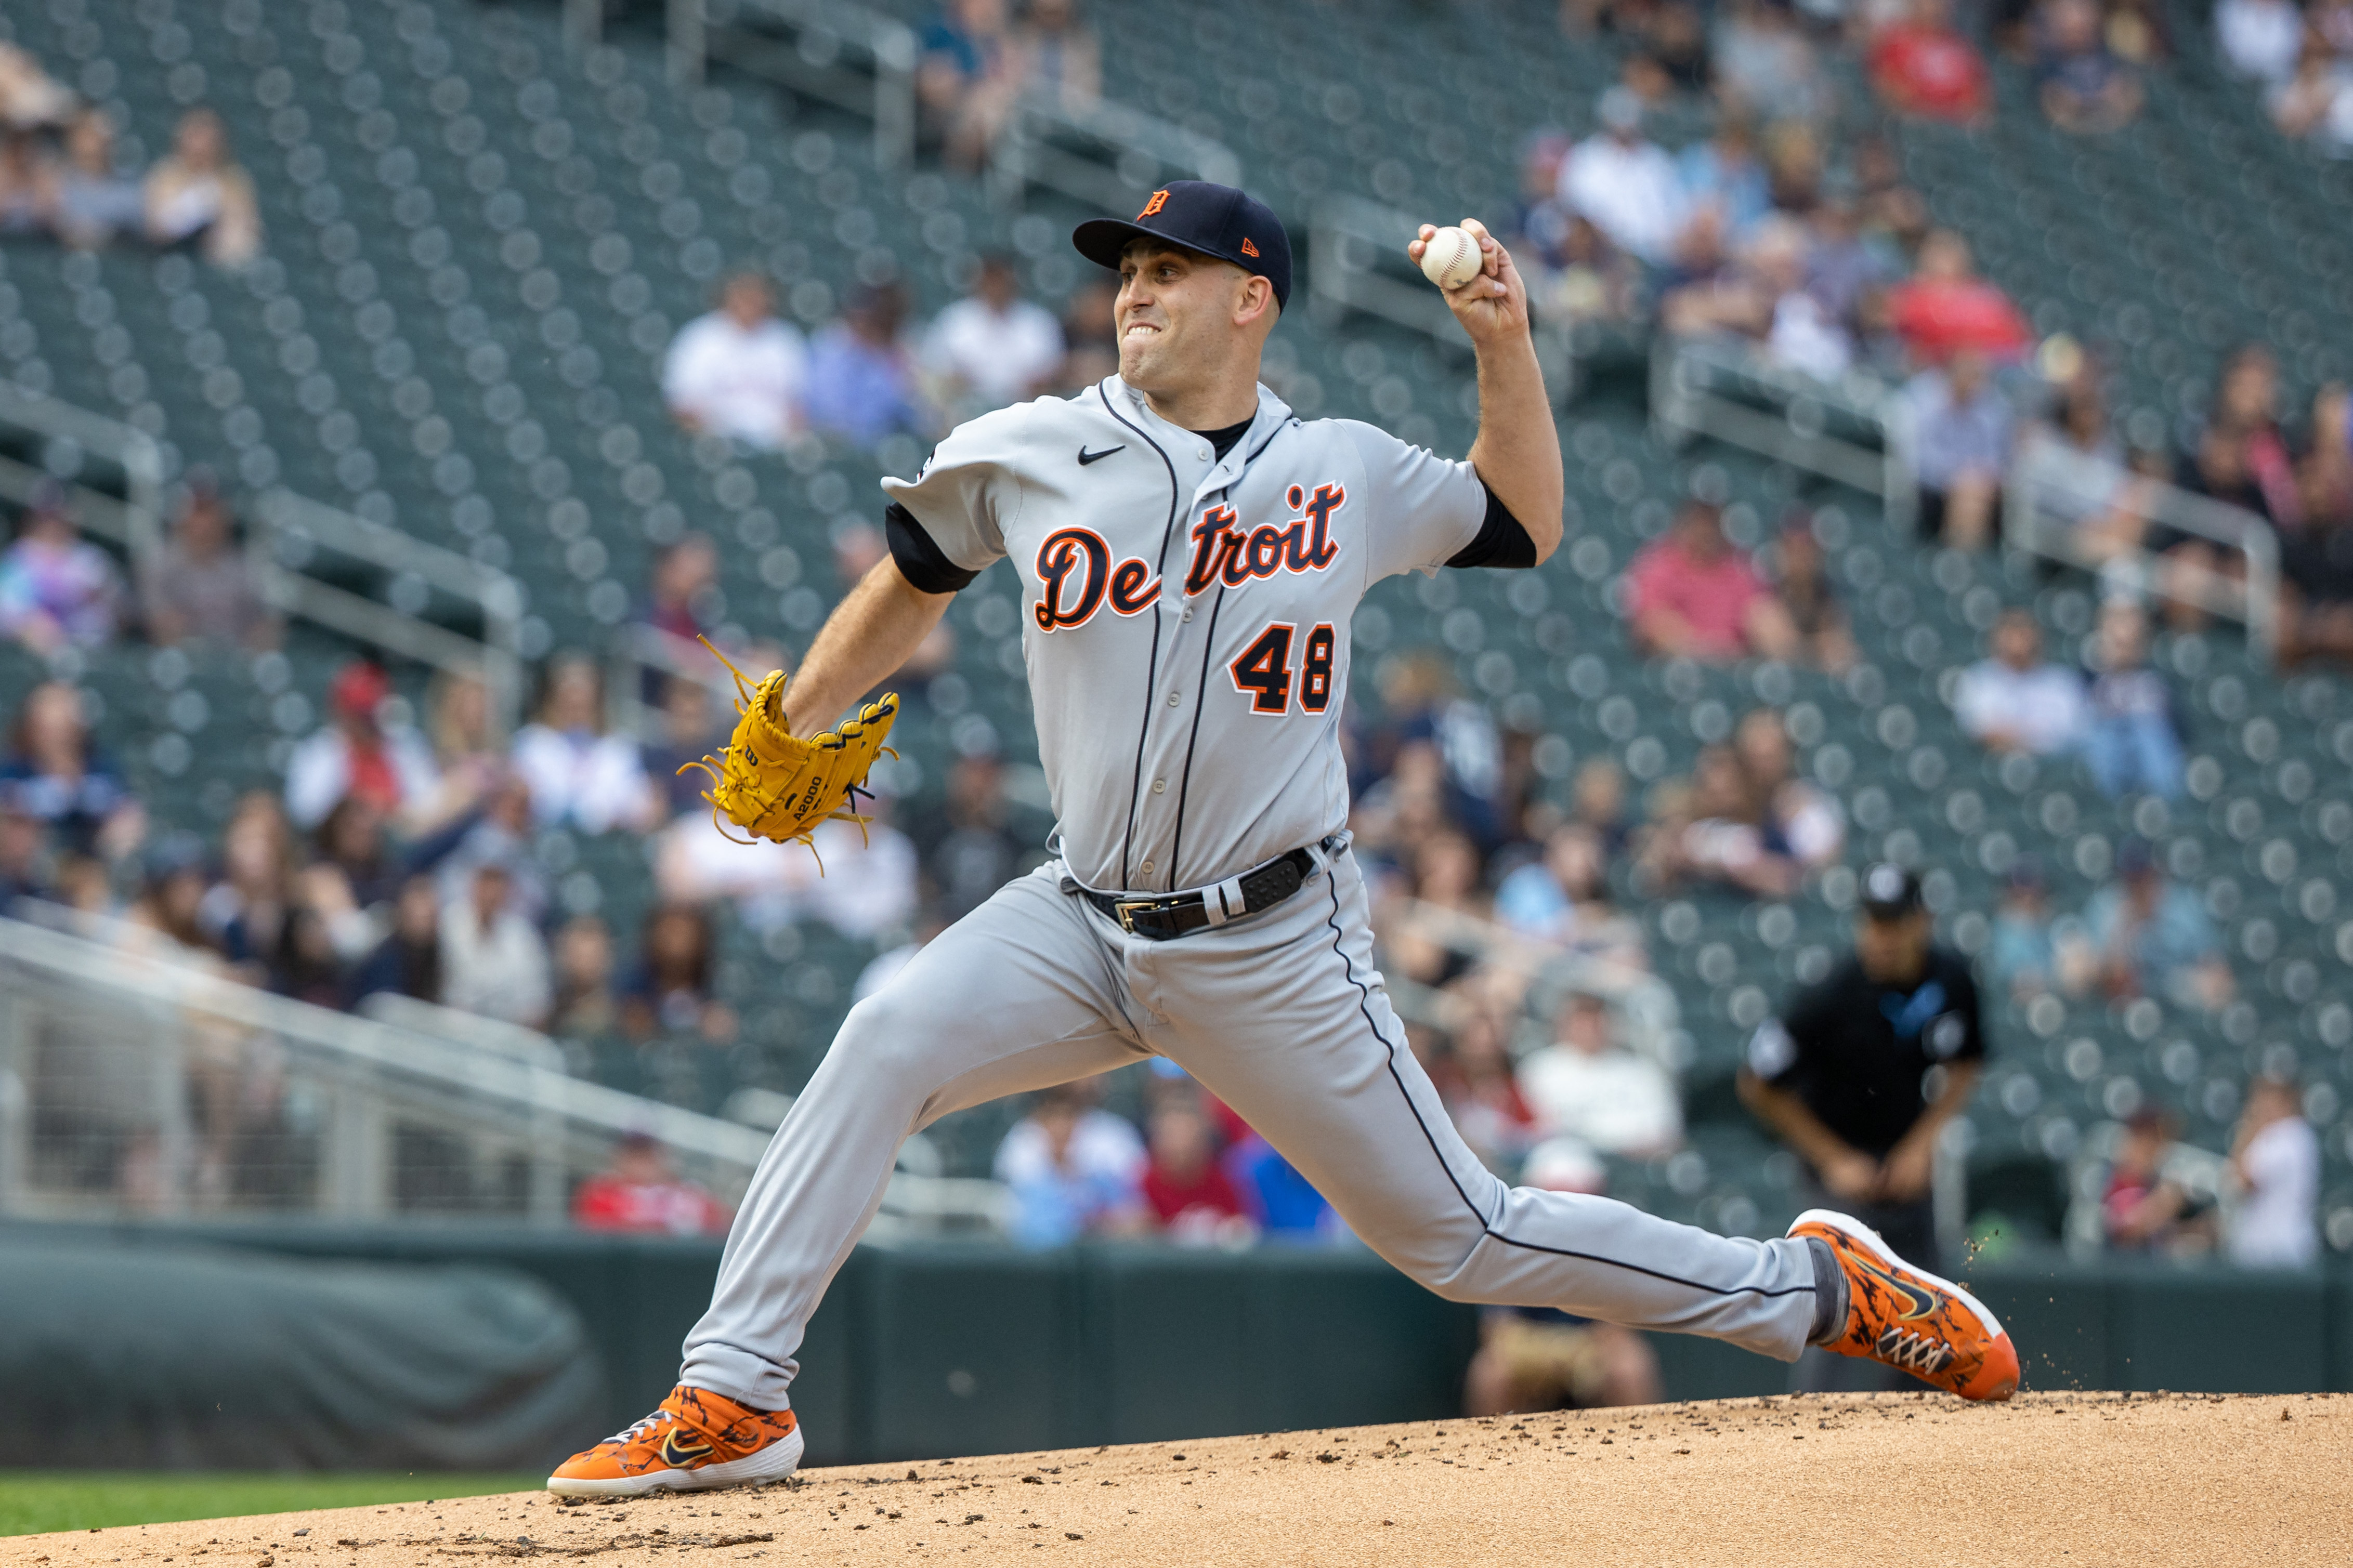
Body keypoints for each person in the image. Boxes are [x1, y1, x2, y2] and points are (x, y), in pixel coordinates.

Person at [550, 180, 2011, 1498]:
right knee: (879, 1044)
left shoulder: (1343, 471)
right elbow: (911, 576)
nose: (1132, 287)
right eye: (1123, 266)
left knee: (1464, 1240)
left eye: (1168, 268)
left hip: (1272, 939)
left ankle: (1814, 1291)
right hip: (1078, 918)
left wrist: (1503, 343)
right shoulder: (1030, 446)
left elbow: (1523, 517)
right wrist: (794, 715)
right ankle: (734, 1394)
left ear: (1250, 298)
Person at [1738, 864, 1985, 1392]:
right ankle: (1818, 1438)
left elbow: (1967, 1062)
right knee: (1841, 1305)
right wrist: (1831, 1159)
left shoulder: (1949, 977)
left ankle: (1926, 1448)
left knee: (1929, 1313)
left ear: (1921, 922)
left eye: (1893, 922)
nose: (1881, 936)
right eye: (1872, 922)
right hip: (1839, 1164)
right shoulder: (1831, 991)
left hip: (1903, 1161)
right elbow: (1757, 1082)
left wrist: (1922, 1144)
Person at [2063, 836, 2232, 1010]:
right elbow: (2093, 972)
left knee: (2209, 988)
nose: (2137, 886)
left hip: (2181, 992)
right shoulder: (2107, 907)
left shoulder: (2184, 906)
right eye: (2130, 879)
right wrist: (2122, 931)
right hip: (2129, 999)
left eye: (2142, 877)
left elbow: (2219, 971)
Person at [1624, 499, 1800, 663]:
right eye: (1699, 522)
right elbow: (1654, 624)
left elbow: (1763, 618)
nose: (1705, 531)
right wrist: (1713, 652)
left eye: (1710, 523)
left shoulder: (1736, 569)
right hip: (1678, 666)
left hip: (1733, 665)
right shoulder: (1661, 565)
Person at [509, 653, 661, 836]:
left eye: (584, 701)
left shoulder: (618, 747)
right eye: (569, 701)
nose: (577, 708)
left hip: (610, 842)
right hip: (543, 839)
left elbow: (636, 801)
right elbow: (531, 801)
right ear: (554, 700)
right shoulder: (533, 742)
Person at [1516, 992, 1682, 1158]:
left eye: (1596, 1020)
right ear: (1563, 1025)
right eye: (1581, 1021)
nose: (1589, 1030)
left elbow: (1665, 1131)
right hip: (1568, 1164)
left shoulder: (1641, 1071)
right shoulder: (1538, 1069)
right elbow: (1533, 1131)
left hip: (1633, 1160)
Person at [282, 661, 441, 832]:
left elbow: (432, 805)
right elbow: (304, 813)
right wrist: (360, 804)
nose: (366, 722)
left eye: (370, 713)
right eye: (359, 714)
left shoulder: (406, 743)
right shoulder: (319, 751)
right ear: (341, 711)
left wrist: (390, 812)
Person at [1, 679, 142, 861]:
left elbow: (127, 813)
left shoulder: (102, 768)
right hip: (31, 864)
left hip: (94, 861)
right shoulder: (12, 771)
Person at [993, 1083, 1147, 1248]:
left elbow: (1134, 1214)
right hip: (1043, 1260)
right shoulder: (1029, 1176)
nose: (1060, 1127)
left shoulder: (1099, 1177)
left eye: (1067, 1118)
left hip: (1098, 1255)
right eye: (1053, 1118)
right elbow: (1026, 1228)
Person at [662, 273, 806, 449]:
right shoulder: (700, 337)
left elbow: (798, 409)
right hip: (714, 442)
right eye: (743, 297)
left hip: (773, 445)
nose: (749, 304)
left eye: (756, 297)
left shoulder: (785, 340)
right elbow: (683, 408)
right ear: (727, 299)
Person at [137, 473, 277, 649]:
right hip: (181, 658)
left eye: (209, 511)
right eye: (198, 511)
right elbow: (157, 618)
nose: (204, 523)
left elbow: (261, 621)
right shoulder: (161, 561)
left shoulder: (243, 565)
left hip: (236, 659)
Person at [923, 253, 1066, 418]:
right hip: (966, 411)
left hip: (1025, 411)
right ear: (980, 281)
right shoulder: (955, 319)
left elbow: (1051, 374)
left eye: (1002, 280)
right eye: (991, 280)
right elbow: (934, 372)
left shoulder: (1037, 322)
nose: (997, 287)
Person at [1558, 87, 1685, 268]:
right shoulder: (1585, 158)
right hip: (1603, 258)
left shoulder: (1657, 161)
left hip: (1658, 259)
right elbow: (1578, 214)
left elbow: (1677, 217)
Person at [801, 282, 936, 449]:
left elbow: (918, 414)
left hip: (880, 443)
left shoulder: (895, 353)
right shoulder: (832, 346)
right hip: (835, 443)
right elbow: (831, 417)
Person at [0, 483, 124, 653]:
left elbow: (110, 611)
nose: (53, 524)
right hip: (31, 650)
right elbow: (10, 612)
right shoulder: (16, 559)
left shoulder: (91, 559)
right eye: (47, 516)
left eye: (59, 516)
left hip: (88, 649)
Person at [1907, 351, 2012, 549]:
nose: (1973, 384)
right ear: (1952, 375)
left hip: (1977, 487)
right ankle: (1961, 560)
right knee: (1969, 493)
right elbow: (1921, 459)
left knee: (1974, 493)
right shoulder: (1928, 405)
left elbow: (1995, 460)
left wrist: (1976, 476)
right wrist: (1958, 475)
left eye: (1977, 378)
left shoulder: (1988, 413)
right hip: (1934, 484)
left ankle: (1958, 564)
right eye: (1968, 375)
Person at [2079, 599, 2182, 799]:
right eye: (2118, 643)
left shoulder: (2156, 681)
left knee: (2149, 735)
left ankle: (2165, 808)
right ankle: (2105, 806)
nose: (2124, 649)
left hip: (2147, 748)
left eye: (2131, 643)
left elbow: (2179, 730)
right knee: (2102, 738)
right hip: (2105, 743)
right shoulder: (2088, 677)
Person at [1884, 230, 2031, 368]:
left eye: (1948, 255)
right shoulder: (1909, 294)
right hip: (1928, 374)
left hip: (1988, 373)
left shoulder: (1986, 295)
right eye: (1937, 254)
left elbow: (2016, 341)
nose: (1942, 262)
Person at [1954, 608, 2087, 756]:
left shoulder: (2062, 681)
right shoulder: (1979, 678)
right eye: (2011, 632)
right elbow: (1978, 730)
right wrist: (2031, 735)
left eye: (2023, 633)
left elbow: (2071, 733)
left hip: (2049, 765)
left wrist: (2015, 736)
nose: (2018, 641)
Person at [438, 861, 551, 1027]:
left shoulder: (523, 937)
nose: (491, 894)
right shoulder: (446, 927)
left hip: (506, 1038)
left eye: (497, 885)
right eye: (485, 884)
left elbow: (537, 1004)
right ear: (473, 886)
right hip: (447, 1033)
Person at [142, 107, 260, 266]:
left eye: (208, 137)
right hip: (170, 258)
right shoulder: (165, 174)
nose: (201, 144)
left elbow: (245, 236)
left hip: (219, 264)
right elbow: (156, 229)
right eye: (195, 135)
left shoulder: (234, 179)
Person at [2226, 1076, 2319, 1268]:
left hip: (2276, 1251)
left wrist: (2248, 1128)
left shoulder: (2287, 1135)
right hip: (2274, 1249)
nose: (2258, 1106)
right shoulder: (2293, 1135)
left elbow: (2244, 1182)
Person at [1139, 1091, 1251, 1243]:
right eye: (1173, 1138)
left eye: (1191, 1143)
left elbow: (1242, 1231)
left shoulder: (1221, 1182)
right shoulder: (1144, 1185)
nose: (1182, 1148)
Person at [619, 903, 738, 1044]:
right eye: (670, 932)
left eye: (684, 933)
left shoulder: (718, 986)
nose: (676, 942)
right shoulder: (631, 990)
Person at [573, 1132, 733, 1236]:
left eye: (647, 1155)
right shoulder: (601, 1193)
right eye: (635, 1156)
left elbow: (723, 1227)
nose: (642, 1164)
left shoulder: (691, 1194)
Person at [1868, 0, 1993, 123]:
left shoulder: (1960, 46)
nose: (1934, 7)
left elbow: (1977, 98)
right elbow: (1894, 96)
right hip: (1918, 127)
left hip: (1957, 127)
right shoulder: (1896, 44)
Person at [40, 109, 146, 249]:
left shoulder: (129, 181)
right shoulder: (53, 179)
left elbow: (143, 219)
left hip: (118, 253)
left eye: (102, 135)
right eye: (89, 134)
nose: (96, 143)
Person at [2036, 0, 2143, 133]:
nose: (2077, 32)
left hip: (2112, 128)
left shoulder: (2109, 57)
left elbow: (2130, 99)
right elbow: (2053, 105)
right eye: (2070, 28)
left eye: (2082, 26)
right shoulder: (2049, 66)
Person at [1984, 858, 2057, 1000]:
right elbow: (2005, 977)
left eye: (2031, 891)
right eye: (2021, 893)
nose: (2028, 897)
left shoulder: (2049, 925)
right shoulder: (2000, 930)